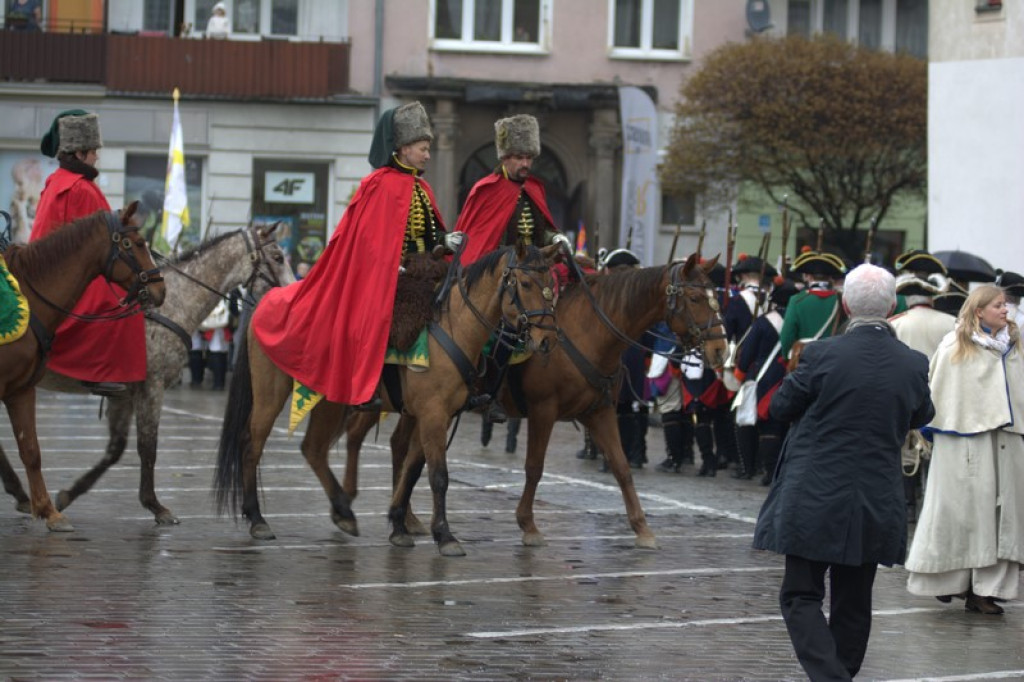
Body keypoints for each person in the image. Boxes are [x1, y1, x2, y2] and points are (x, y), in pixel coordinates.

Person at [753, 264, 934, 681]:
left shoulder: (822, 354)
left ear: (846, 305)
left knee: (800, 594)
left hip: (814, 492)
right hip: (874, 495)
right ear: (891, 307)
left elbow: (780, 406)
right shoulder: (912, 363)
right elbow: (923, 413)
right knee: (854, 602)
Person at [251, 102, 462, 409]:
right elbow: (367, 242)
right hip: (391, 273)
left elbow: (431, 235)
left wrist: (446, 240)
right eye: (423, 148)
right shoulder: (378, 185)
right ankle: (371, 384)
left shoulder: (422, 189)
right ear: (404, 149)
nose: (427, 155)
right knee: (380, 315)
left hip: (426, 269)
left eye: (428, 149)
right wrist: (390, 267)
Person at [905, 284, 1024, 616]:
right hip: (963, 441)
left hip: (1008, 441)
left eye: (1005, 305)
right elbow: (940, 395)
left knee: (1001, 517)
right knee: (958, 513)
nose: (1005, 310)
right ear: (979, 310)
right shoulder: (955, 346)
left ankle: (987, 590)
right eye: (998, 305)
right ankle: (948, 580)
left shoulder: (1014, 346)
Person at [455, 113, 568, 423]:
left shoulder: (535, 189)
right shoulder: (487, 189)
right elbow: (480, 238)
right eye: (519, 157)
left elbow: (542, 230)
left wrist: (555, 237)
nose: (525, 163)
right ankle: (489, 393)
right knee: (505, 328)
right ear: (504, 157)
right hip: (501, 274)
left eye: (529, 157)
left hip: (534, 271)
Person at [30, 110, 146, 396]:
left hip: (52, 273)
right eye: (93, 152)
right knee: (123, 306)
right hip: (68, 276)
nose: (96, 158)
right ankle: (99, 372)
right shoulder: (80, 188)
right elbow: (99, 244)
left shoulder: (57, 180)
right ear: (80, 153)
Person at [733, 279, 798, 485]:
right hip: (791, 376)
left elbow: (748, 353)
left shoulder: (763, 322)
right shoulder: (798, 320)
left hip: (764, 378)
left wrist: (740, 373)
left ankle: (762, 470)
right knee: (783, 426)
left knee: (765, 426)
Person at [724, 254, 777, 479]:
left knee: (743, 415)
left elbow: (728, 333)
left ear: (744, 276)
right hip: (772, 363)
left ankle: (747, 465)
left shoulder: (737, 301)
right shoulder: (772, 301)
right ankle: (761, 464)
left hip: (748, 364)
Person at [778, 249, 847, 363]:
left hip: (804, 362)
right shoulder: (841, 300)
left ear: (808, 276)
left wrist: (787, 357)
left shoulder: (797, 300)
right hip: (833, 362)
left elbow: (787, 336)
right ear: (830, 277)